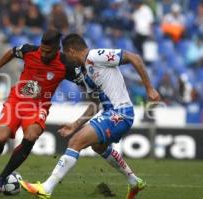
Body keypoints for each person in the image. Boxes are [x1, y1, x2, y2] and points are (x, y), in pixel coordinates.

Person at [20, 33, 160, 199]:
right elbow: (95, 104)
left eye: (65, 54)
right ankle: (134, 181)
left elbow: (134, 57)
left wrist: (149, 88)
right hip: (111, 113)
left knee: (75, 142)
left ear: (71, 51)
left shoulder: (96, 56)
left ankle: (46, 188)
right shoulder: (86, 73)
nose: (66, 59)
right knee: (98, 147)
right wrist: (75, 124)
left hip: (120, 113)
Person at [0, 29, 83, 193]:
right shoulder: (29, 50)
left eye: (48, 52)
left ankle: (2, 177)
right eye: (42, 49)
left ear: (57, 49)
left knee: (31, 135)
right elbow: (11, 52)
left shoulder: (66, 64)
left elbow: (84, 81)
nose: (43, 54)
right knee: (1, 137)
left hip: (39, 106)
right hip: (17, 101)